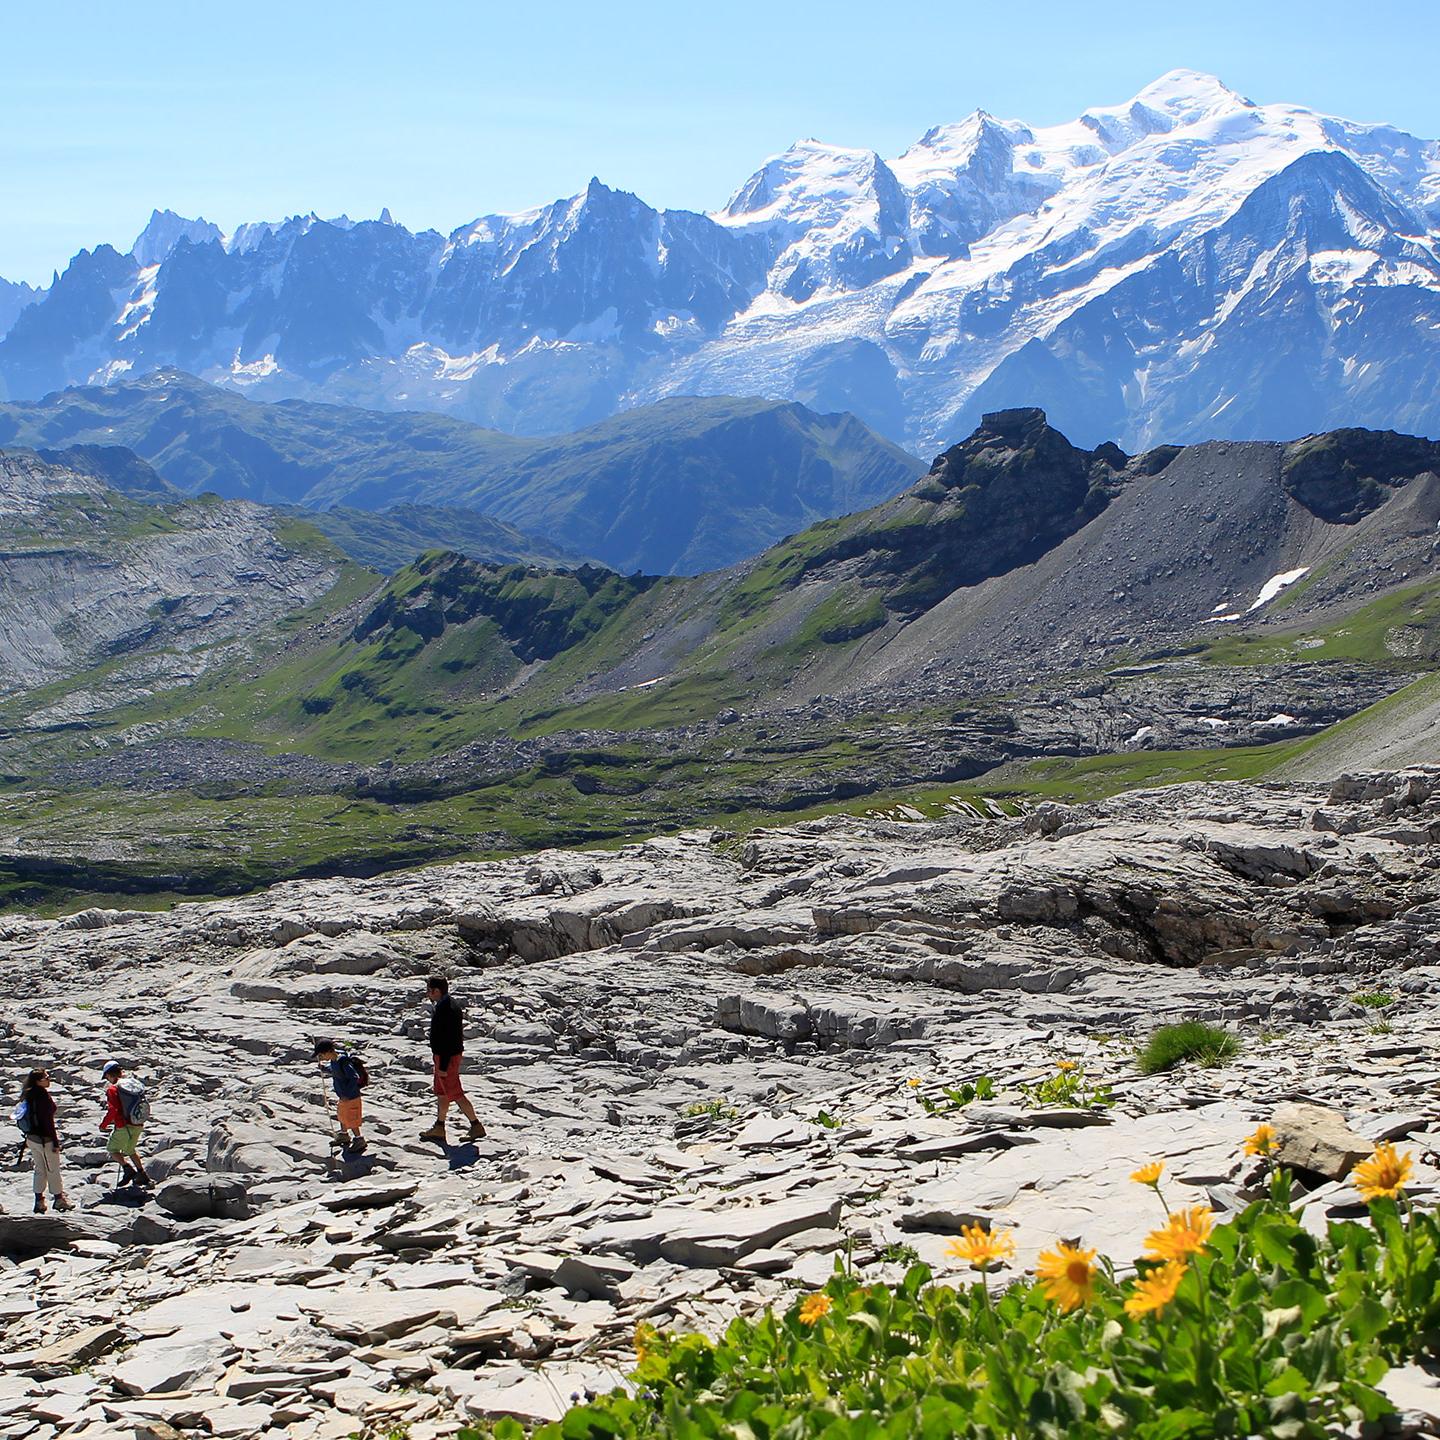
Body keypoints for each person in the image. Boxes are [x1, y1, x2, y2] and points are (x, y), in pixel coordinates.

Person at [420, 976, 485, 1144]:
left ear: (437, 991)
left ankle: (476, 1125)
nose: (427, 994)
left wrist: (442, 1065)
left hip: (447, 1057)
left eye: (429, 990)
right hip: (443, 1056)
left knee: (455, 1092)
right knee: (441, 1092)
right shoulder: (446, 1004)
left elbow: (448, 1039)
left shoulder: (447, 1008)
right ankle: (439, 1127)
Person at [19, 1068, 74, 1213]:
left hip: (31, 1138)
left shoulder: (27, 1094)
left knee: (39, 1169)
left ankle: (39, 1202)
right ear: (38, 1081)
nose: (49, 1079)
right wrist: (55, 1142)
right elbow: (47, 1122)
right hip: (45, 1139)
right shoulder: (42, 1096)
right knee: (53, 1169)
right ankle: (59, 1200)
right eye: (46, 1077)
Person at [99, 1060, 152, 1189]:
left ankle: (127, 1169)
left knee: (112, 1150)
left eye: (107, 1077)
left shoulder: (113, 1089)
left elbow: (113, 1110)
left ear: (110, 1075)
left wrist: (104, 1125)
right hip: (138, 1123)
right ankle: (142, 1174)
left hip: (123, 1126)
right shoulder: (132, 1084)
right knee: (130, 1150)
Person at [312, 1039, 367, 1154]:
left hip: (351, 1096)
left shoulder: (343, 1061)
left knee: (351, 1118)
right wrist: (325, 1069)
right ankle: (344, 1135)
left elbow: (354, 1077)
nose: (321, 1057)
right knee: (342, 1115)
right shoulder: (334, 1061)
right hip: (343, 1096)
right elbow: (336, 1071)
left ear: (328, 1052)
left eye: (321, 1055)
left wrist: (347, 1093)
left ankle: (359, 1140)